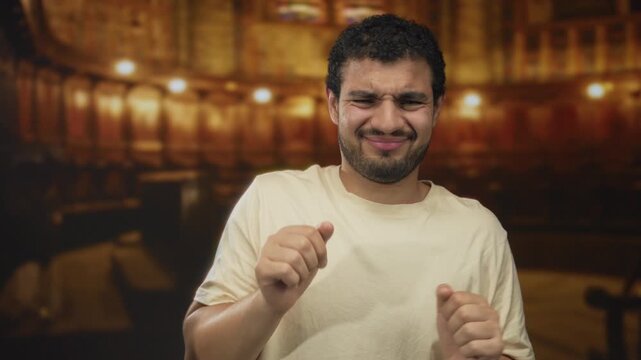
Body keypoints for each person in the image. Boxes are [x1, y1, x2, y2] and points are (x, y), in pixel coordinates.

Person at [183, 14, 535, 360]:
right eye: (365, 100)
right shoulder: (271, 196)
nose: (387, 122)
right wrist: (266, 304)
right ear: (334, 105)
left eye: (410, 101)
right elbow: (199, 351)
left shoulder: (479, 228)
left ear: (437, 108)